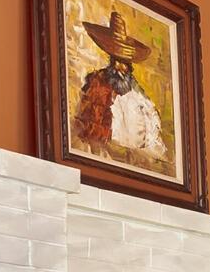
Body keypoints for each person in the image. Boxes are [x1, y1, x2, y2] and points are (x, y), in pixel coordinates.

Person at [72, 10, 169, 164]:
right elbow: (89, 130)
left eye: (123, 62)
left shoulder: (137, 92)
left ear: (129, 65)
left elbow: (152, 132)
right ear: (111, 60)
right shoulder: (97, 84)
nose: (119, 67)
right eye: (116, 60)